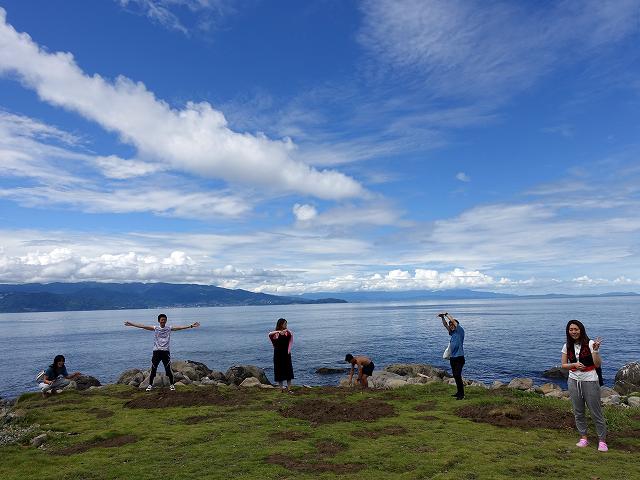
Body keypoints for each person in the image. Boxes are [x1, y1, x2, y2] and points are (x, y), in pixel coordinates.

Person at [561, 319, 608, 452]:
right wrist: (574, 365)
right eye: (571, 329)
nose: (574, 332)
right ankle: (583, 437)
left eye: (576, 329)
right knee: (578, 411)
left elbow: (597, 364)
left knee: (596, 412)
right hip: (573, 380)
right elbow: (564, 365)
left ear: (581, 330)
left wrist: (596, 351)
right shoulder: (567, 346)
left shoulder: (591, 343)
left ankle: (602, 441)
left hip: (590, 380)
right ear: (568, 331)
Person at [125, 314, 200, 392]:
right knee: (153, 369)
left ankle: (171, 385)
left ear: (166, 321)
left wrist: (191, 326)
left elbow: (179, 328)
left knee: (168, 370)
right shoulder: (156, 328)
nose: (163, 321)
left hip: (165, 353)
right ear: (159, 321)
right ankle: (150, 385)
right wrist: (131, 324)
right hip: (156, 352)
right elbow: (143, 326)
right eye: (162, 320)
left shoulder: (169, 328)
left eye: (164, 320)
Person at [440, 312, 465, 400]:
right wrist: (442, 317)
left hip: (459, 358)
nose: (451, 325)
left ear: (456, 325)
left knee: (458, 375)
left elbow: (453, 321)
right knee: (455, 376)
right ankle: (458, 392)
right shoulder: (452, 333)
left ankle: (461, 395)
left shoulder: (460, 331)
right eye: (450, 325)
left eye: (452, 324)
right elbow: (445, 325)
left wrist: (446, 314)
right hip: (453, 358)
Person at [268, 318, 294, 390]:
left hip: (286, 354)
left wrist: (289, 351)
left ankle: (289, 388)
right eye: (284, 323)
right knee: (279, 370)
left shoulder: (288, 333)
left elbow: (291, 341)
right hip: (277, 354)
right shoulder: (275, 334)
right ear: (280, 324)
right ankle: (281, 388)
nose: (286, 325)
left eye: (286, 323)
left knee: (288, 370)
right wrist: (279, 332)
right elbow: (269, 334)